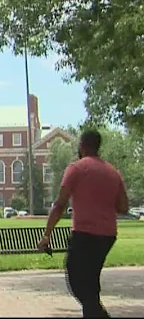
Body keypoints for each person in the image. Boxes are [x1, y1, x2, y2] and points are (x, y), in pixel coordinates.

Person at [38, 129, 129, 318]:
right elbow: (123, 207)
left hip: (85, 234)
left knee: (77, 279)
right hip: (107, 236)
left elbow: (60, 204)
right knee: (90, 282)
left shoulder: (76, 168)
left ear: (81, 145)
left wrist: (47, 235)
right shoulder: (113, 172)